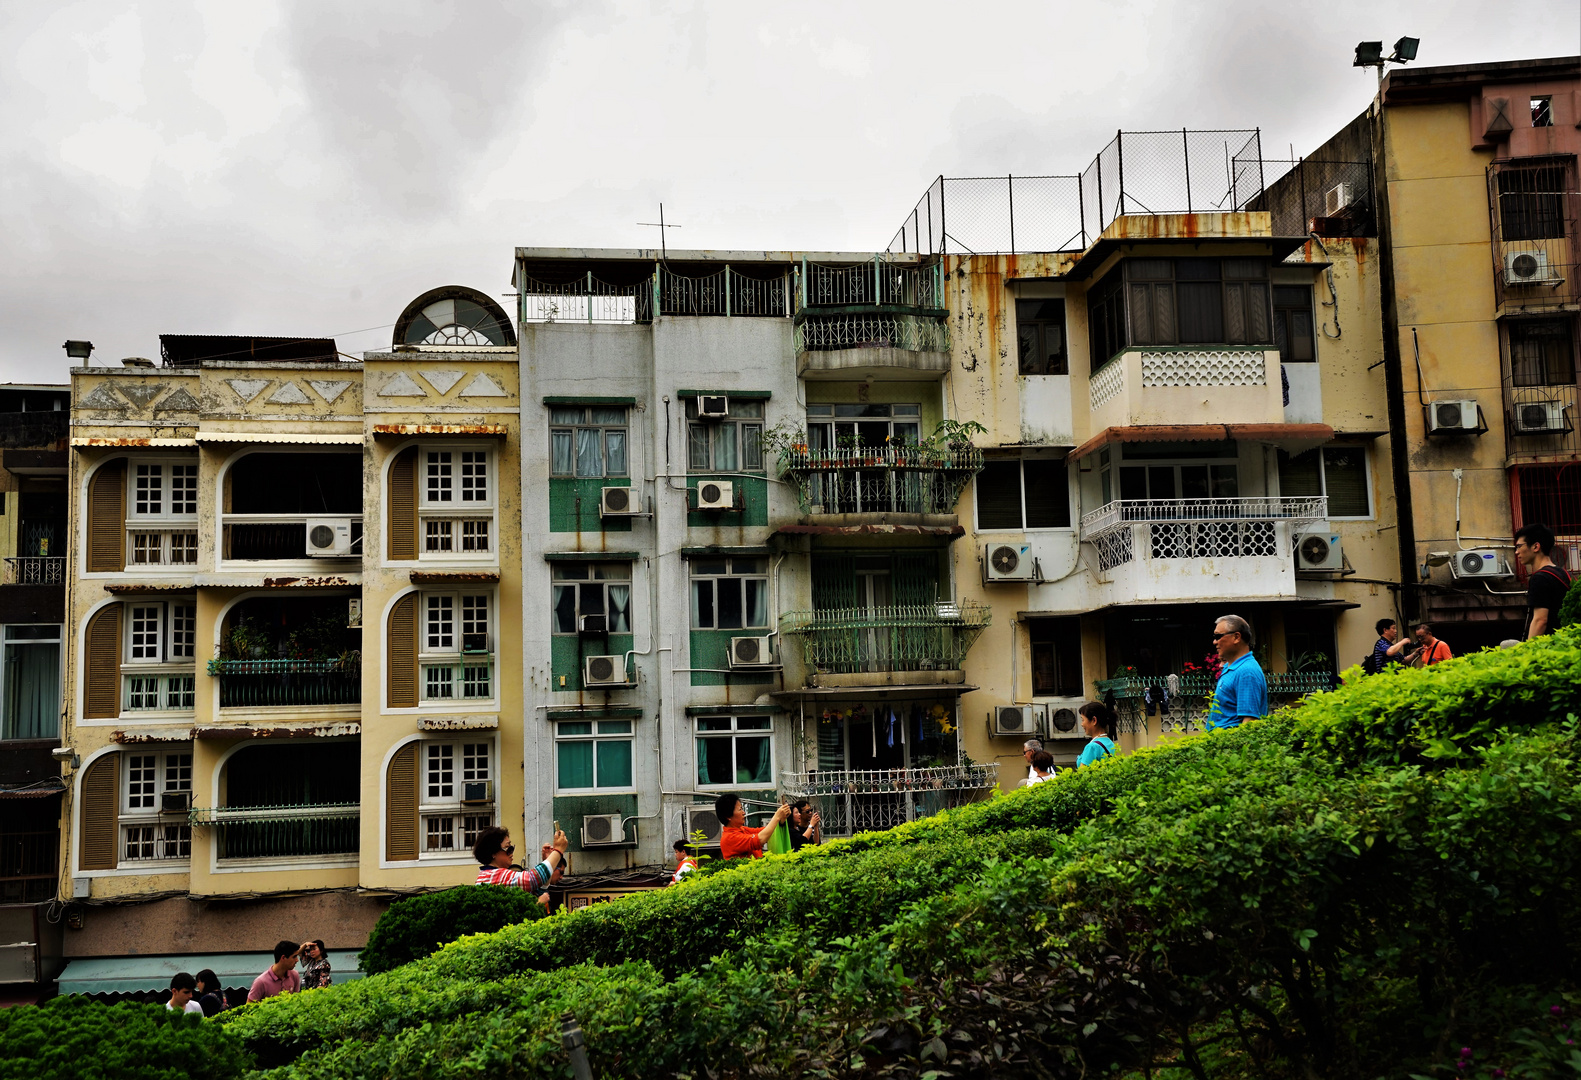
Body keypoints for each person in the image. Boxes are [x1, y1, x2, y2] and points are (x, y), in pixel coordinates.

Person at [1205, 615, 1268, 731]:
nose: (1215, 642)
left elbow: (1250, 722)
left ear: (1236, 637)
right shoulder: (1231, 667)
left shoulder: (1246, 672)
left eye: (1218, 636)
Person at [1516, 523, 1572, 639]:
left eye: (1519, 546)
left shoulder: (1540, 578)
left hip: (1549, 646)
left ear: (1536, 547)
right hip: (1565, 641)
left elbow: (1540, 620)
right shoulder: (1564, 573)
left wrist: (1528, 652)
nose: (1516, 552)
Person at [472, 825, 567, 892]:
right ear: (493, 852)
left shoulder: (487, 875)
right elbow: (533, 879)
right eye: (508, 848)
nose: (512, 853)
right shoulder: (496, 875)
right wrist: (558, 850)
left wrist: (548, 860)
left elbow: (538, 890)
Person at [715, 792, 790, 860]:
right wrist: (777, 817)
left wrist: (781, 820)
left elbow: (765, 832)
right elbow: (761, 839)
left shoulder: (742, 829)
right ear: (728, 816)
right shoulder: (729, 838)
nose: (744, 812)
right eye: (740, 809)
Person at [1075, 701, 1118, 768]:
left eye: (1083, 720)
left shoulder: (1092, 747)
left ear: (1094, 720)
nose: (1082, 724)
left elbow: (1082, 774)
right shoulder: (1109, 742)